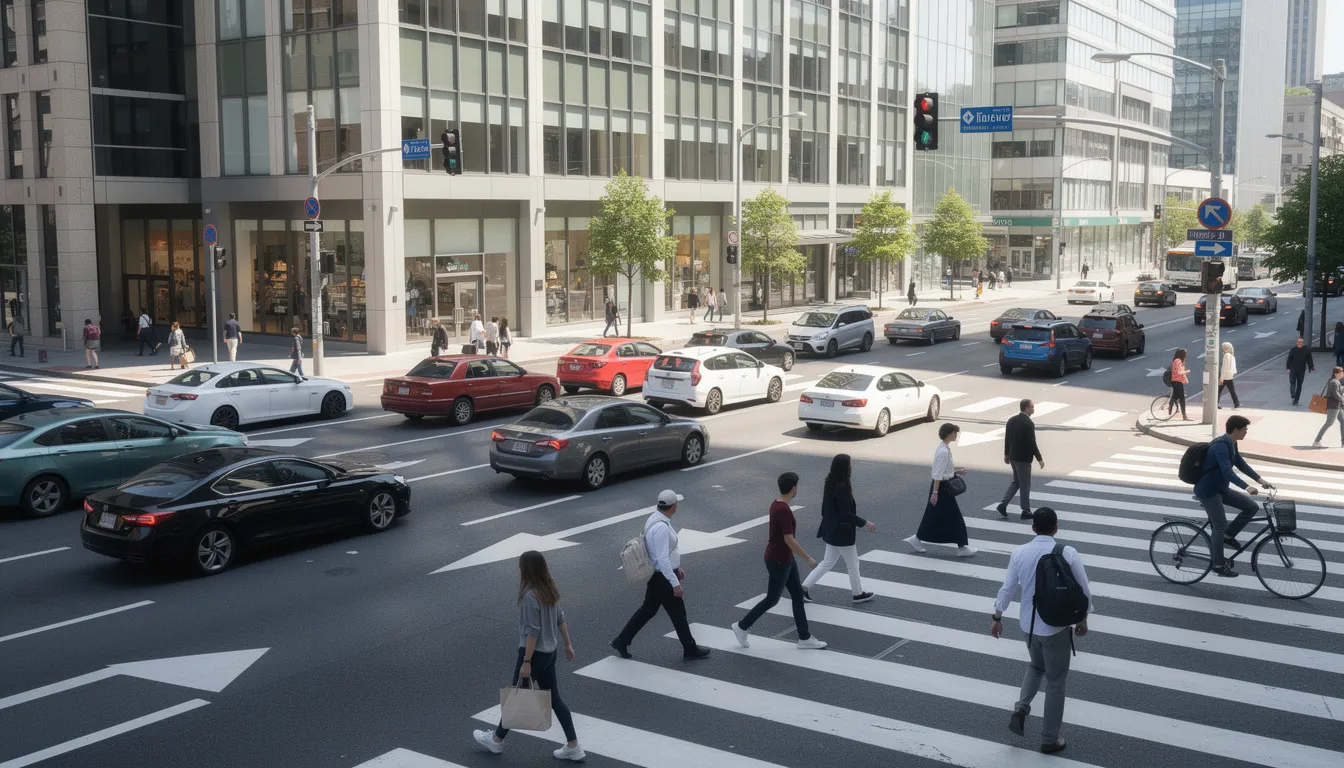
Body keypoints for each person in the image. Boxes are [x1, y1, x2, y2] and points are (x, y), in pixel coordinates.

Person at [991, 507, 1092, 756]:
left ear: (1033, 528)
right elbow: (1084, 589)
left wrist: (997, 616)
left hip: (1029, 625)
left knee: (1036, 667)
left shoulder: (1020, 552)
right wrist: (1083, 619)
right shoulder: (1068, 552)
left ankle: (1022, 707)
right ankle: (1049, 738)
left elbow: (1007, 589)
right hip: (1056, 627)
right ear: (1056, 527)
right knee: (1056, 683)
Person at [473, 551, 585, 762]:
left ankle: (496, 740)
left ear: (527, 570)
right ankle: (573, 745)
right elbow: (560, 618)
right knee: (555, 700)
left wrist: (526, 662)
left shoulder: (529, 596)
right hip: (550, 653)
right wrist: (568, 644)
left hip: (534, 655)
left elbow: (532, 632)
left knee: (516, 698)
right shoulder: (549, 589)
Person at [611, 490, 712, 661]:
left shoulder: (655, 518)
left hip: (658, 577)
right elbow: (661, 558)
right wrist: (675, 583)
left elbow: (661, 553)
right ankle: (690, 648)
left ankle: (622, 640)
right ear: (673, 506)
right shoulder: (661, 528)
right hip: (663, 579)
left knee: (647, 610)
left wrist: (676, 568)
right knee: (679, 615)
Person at [731, 473, 828, 650]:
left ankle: (804, 637)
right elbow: (788, 539)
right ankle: (742, 626)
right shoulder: (783, 510)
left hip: (784, 558)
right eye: (797, 486)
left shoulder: (776, 503)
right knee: (772, 598)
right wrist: (807, 557)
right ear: (793, 488)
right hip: (779, 560)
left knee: (797, 594)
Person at [1194, 414, 1273, 577]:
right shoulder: (1221, 446)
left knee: (1251, 507)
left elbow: (1241, 464)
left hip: (1221, 489)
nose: (1246, 432)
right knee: (1219, 525)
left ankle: (1228, 537)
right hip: (1208, 491)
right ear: (1236, 430)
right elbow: (1227, 471)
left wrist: (1260, 480)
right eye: (1245, 429)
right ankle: (1218, 564)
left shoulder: (1231, 443)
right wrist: (1246, 487)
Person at [801, 454, 876, 604]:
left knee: (827, 562)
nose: (851, 466)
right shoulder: (842, 486)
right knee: (853, 564)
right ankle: (857, 594)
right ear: (844, 467)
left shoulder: (830, 482)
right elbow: (846, 513)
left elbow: (825, 509)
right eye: (849, 464)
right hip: (842, 534)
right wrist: (865, 523)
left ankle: (803, 587)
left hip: (832, 530)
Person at [905, 423, 977, 557]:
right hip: (942, 489)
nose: (956, 435)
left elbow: (944, 469)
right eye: (955, 433)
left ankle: (917, 539)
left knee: (933, 516)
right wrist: (935, 493)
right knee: (954, 517)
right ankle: (961, 548)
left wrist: (958, 470)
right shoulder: (944, 451)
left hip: (941, 488)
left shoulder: (944, 448)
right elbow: (938, 474)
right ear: (949, 434)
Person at [997, 399, 1044, 520]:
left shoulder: (1011, 420)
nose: (1033, 409)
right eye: (1032, 407)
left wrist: (1006, 454)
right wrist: (1039, 458)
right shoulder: (1028, 423)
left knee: (1017, 482)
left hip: (1013, 457)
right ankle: (1026, 510)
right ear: (1027, 408)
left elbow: (1007, 438)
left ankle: (1003, 504)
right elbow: (1032, 443)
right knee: (1024, 485)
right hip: (1023, 459)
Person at [1312, 366, 1344, 448]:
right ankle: (1317, 440)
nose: (1343, 373)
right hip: (1334, 406)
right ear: (1337, 373)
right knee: (1329, 423)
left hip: (1338, 406)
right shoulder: (1334, 382)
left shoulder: (1336, 381)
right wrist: (1343, 400)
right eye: (1342, 372)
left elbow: (1338, 390)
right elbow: (1335, 394)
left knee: (1343, 422)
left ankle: (1343, 442)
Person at [1287, 336, 1316, 406]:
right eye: (1297, 342)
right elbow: (1289, 360)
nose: (1298, 343)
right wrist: (1288, 368)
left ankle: (1296, 400)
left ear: (1303, 343)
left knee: (1299, 385)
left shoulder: (1306, 350)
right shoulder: (1293, 350)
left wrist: (1311, 366)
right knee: (1292, 383)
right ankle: (1293, 395)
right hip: (1293, 369)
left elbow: (1309, 359)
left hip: (1301, 370)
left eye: (1300, 342)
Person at [1168, 348, 1190, 420]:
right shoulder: (1177, 361)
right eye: (1185, 354)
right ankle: (1184, 415)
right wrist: (1186, 372)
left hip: (1177, 382)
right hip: (1177, 382)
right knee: (1182, 399)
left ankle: (1171, 405)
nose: (1186, 355)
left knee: (1176, 397)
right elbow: (1178, 372)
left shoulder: (1178, 361)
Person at [1217, 342, 1240, 409]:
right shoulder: (1231, 355)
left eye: (1223, 347)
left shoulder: (1226, 355)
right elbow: (1233, 367)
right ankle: (1236, 403)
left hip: (1225, 377)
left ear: (1226, 348)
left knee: (1218, 391)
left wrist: (1221, 378)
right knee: (1232, 391)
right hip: (1229, 376)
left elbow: (1224, 367)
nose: (1222, 349)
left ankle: (1215, 404)